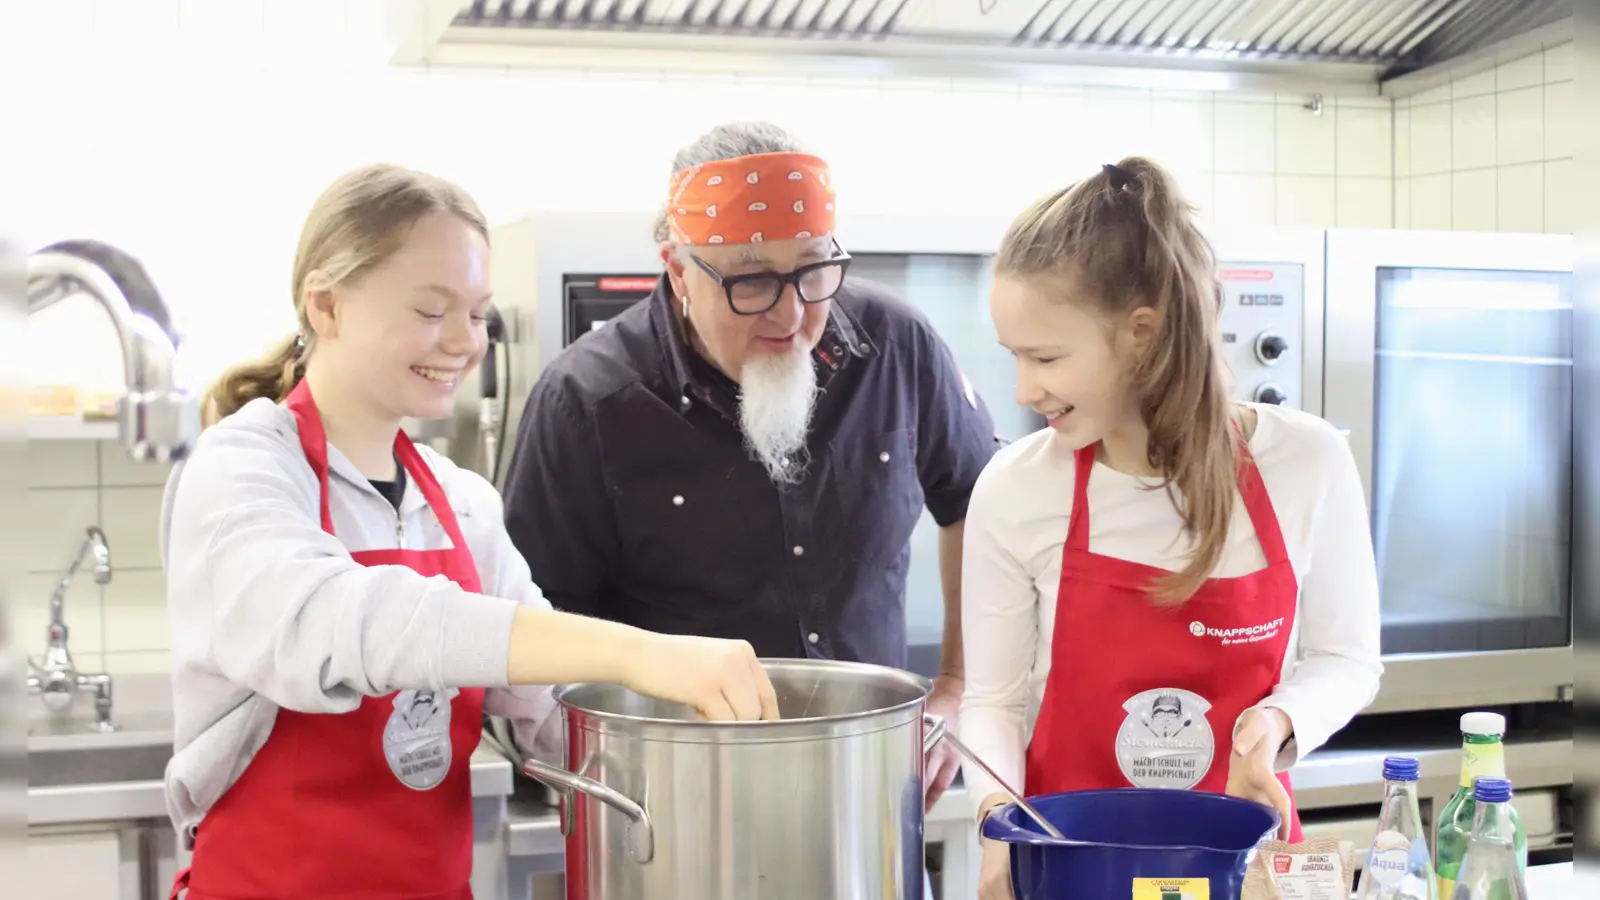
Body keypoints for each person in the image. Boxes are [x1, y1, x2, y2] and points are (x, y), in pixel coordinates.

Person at [159, 163, 778, 900]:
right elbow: (344, 621)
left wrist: (732, 788)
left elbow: (551, 713)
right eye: (430, 311)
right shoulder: (242, 470)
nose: (463, 341)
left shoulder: (462, 502)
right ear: (326, 305)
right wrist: (638, 651)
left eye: (479, 313)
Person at [501, 121, 1000, 812]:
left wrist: (955, 685)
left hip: (873, 786)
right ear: (679, 268)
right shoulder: (586, 402)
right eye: (754, 281)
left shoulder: (895, 346)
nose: (792, 313)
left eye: (813, 270)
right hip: (678, 803)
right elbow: (533, 620)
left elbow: (980, 501)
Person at [958, 157, 1383, 899]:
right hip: (1067, 871)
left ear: (1141, 334)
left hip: (1235, 876)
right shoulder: (1018, 487)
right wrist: (999, 825)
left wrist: (1276, 724)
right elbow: (990, 701)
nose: (1025, 391)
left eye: (1047, 356)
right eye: (1014, 358)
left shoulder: (1307, 461)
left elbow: (1347, 659)